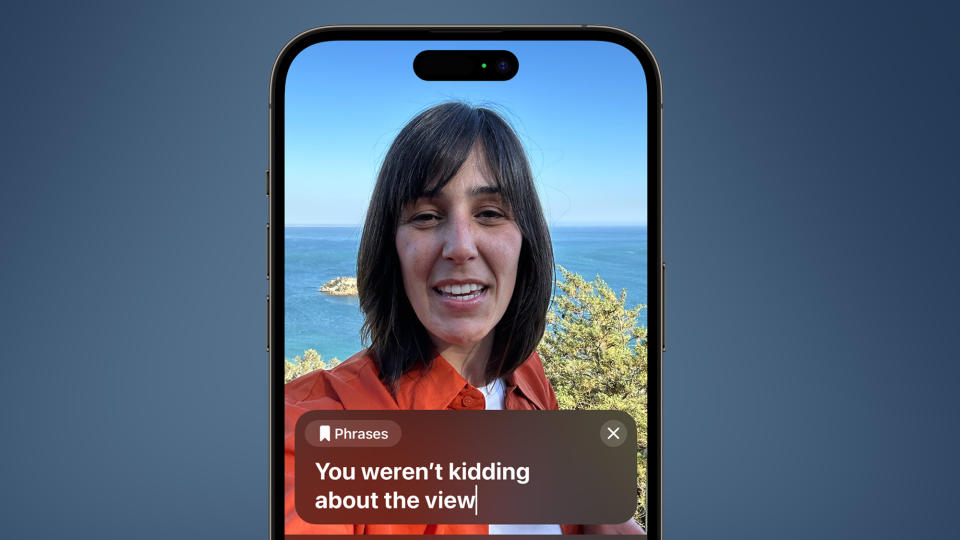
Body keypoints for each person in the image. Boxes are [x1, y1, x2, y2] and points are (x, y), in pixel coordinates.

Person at [284, 102, 643, 535]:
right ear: (390, 248)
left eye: (490, 213)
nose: (460, 246)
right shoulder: (315, 431)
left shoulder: (527, 376)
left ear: (525, 241)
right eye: (426, 216)